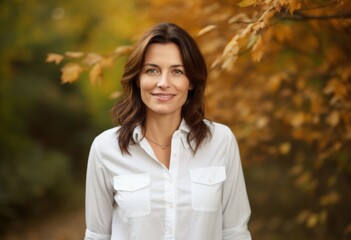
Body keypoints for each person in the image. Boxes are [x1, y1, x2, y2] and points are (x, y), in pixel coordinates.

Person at [84, 22, 251, 240]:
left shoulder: (221, 141)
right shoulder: (105, 148)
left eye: (177, 71)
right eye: (152, 70)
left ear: (191, 82)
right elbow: (97, 236)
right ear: (138, 78)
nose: (163, 83)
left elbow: (235, 232)